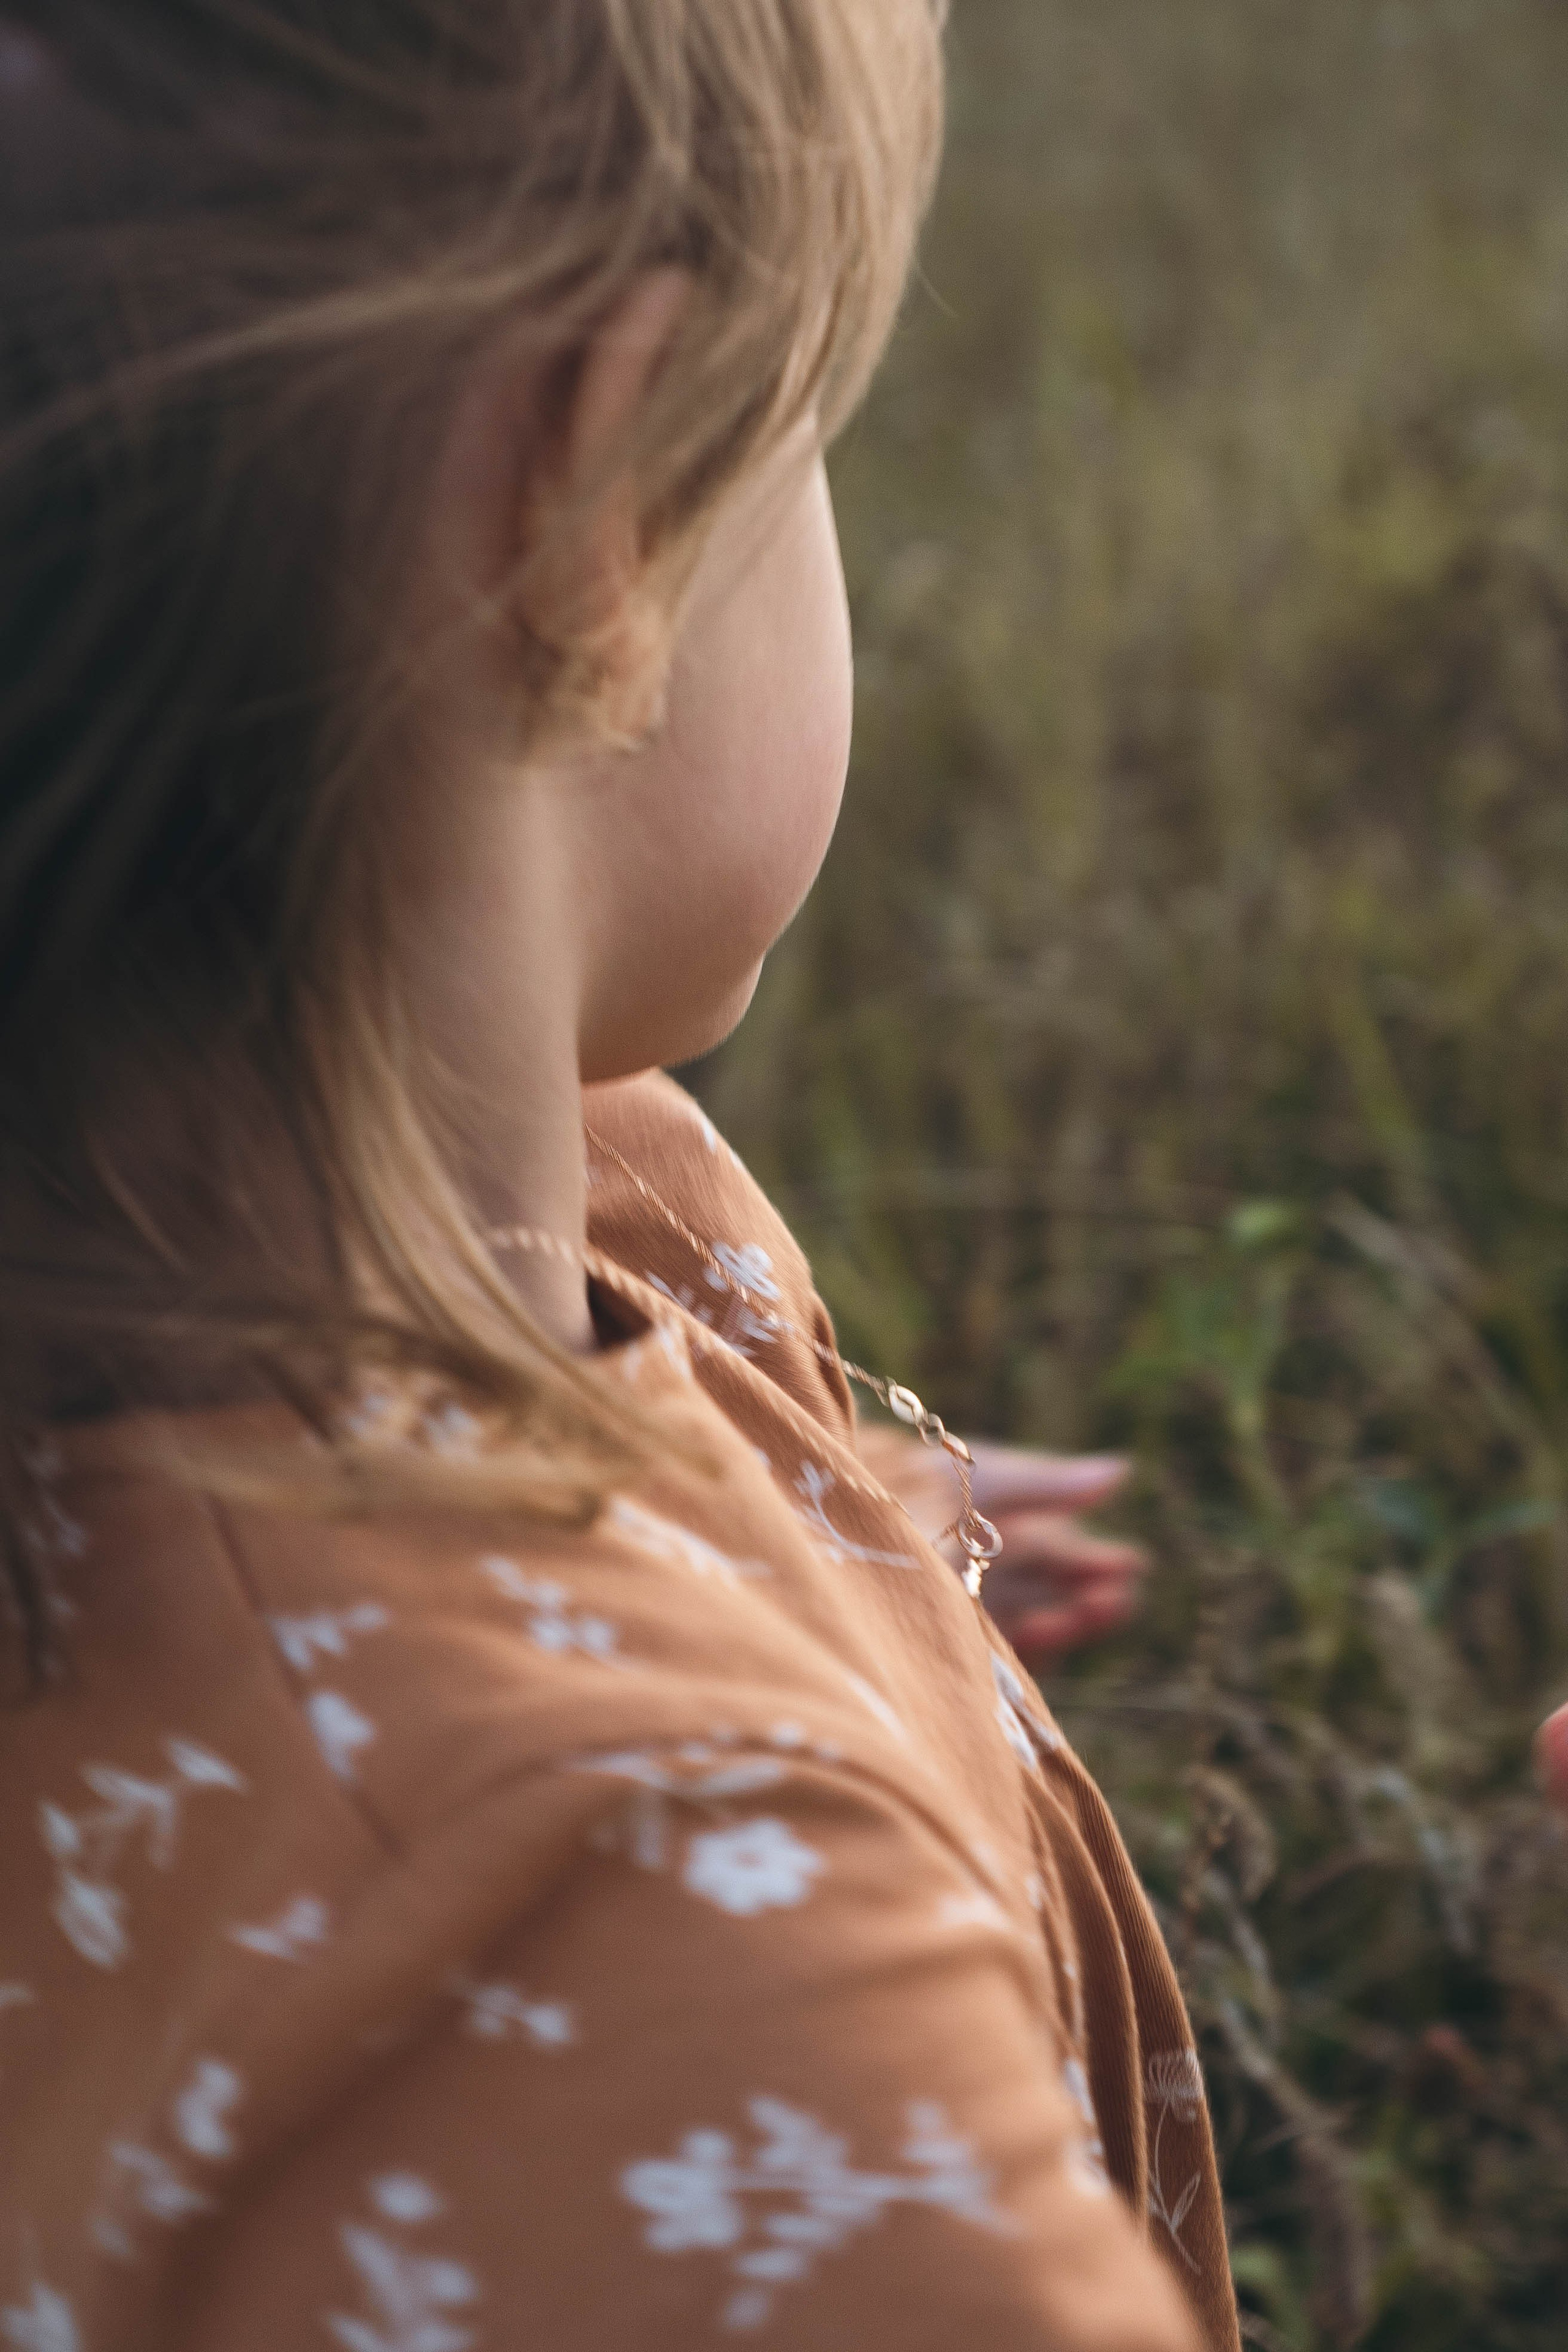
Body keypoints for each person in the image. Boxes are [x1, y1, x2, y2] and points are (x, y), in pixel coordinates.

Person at [0, 7, 1238, 2349]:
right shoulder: (645, 1960)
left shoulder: (543, 1208)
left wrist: (835, 1526)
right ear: (590, 502)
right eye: (813, 433)